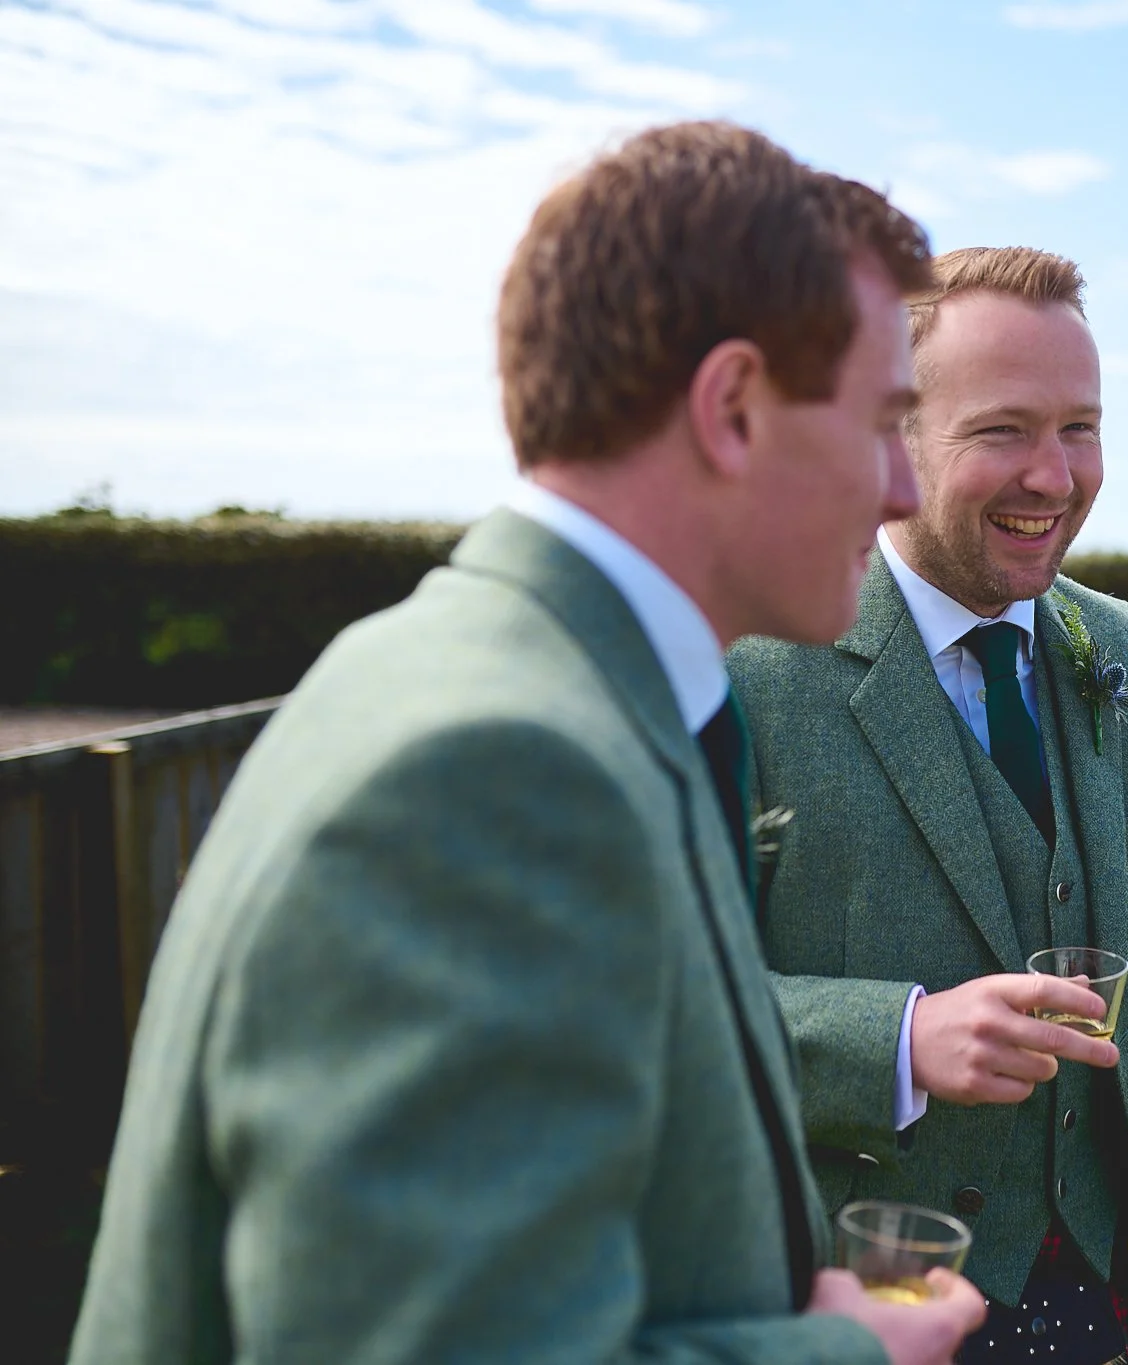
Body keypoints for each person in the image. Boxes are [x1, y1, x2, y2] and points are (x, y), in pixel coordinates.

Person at [67, 122, 986, 1365]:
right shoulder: (499, 772)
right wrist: (845, 1355)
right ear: (731, 409)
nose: (898, 488)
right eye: (883, 421)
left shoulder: (497, 675)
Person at [727, 247, 1128, 1365]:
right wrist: (901, 1039)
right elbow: (659, 1009)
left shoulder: (1127, 648)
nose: (1054, 478)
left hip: (1099, 1292)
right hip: (845, 1292)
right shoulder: (751, 663)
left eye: (1081, 428)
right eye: (1002, 430)